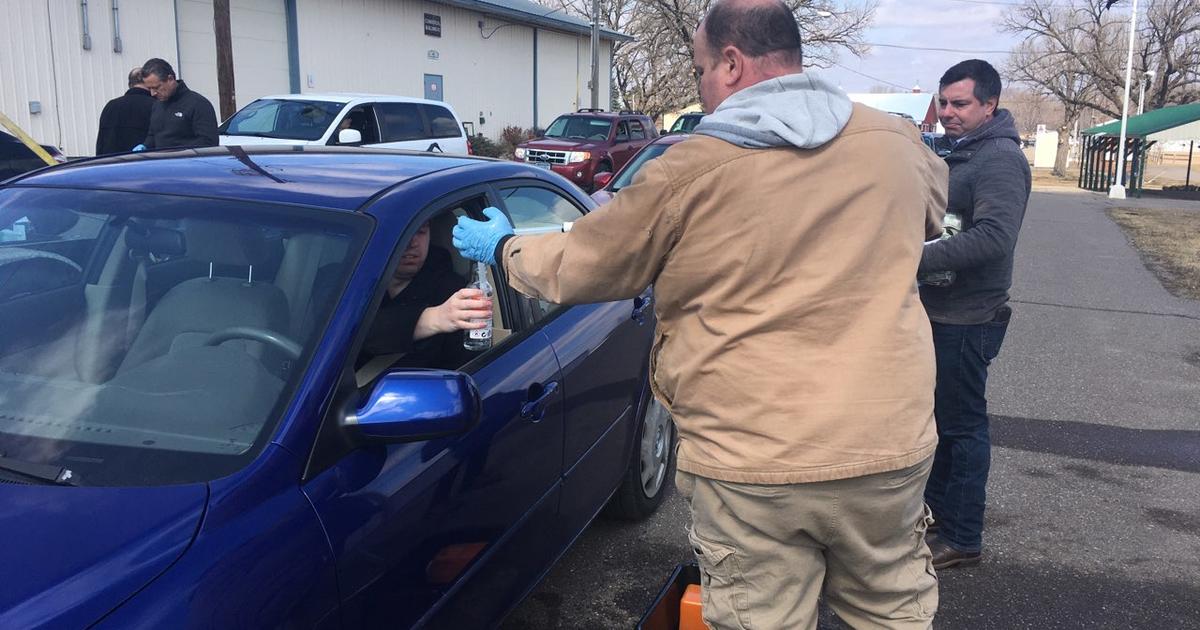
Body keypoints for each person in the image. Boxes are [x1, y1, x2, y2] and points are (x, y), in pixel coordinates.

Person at [452, 0, 948, 627]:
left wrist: (503, 247)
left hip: (755, 458)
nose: (703, 89)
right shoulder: (895, 142)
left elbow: (586, 263)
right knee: (890, 610)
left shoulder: (691, 169)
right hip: (888, 444)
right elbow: (933, 212)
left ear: (733, 64)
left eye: (700, 70)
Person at [919, 59, 1031, 570]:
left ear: (990, 104)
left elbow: (993, 238)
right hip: (942, 310)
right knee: (943, 422)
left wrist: (910, 256)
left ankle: (962, 537)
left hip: (968, 318)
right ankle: (943, 519)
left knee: (963, 428)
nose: (948, 113)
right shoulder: (963, 152)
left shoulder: (1000, 160)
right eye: (943, 102)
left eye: (960, 104)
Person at [357, 221, 491, 372]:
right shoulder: (346, 282)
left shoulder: (457, 295)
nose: (412, 243)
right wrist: (433, 318)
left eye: (421, 232)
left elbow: (463, 373)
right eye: (403, 233)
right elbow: (342, 334)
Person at [136, 58, 219, 151]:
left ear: (170, 79)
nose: (153, 93)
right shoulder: (157, 105)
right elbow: (153, 135)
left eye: (156, 87)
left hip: (189, 162)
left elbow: (209, 142)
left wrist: (174, 150)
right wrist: (146, 145)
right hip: (162, 162)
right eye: (149, 88)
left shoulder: (198, 104)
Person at [95, 67, 156, 155]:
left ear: (130, 84)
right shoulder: (156, 106)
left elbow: (101, 142)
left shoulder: (110, 106)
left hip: (112, 163)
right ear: (148, 83)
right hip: (144, 163)